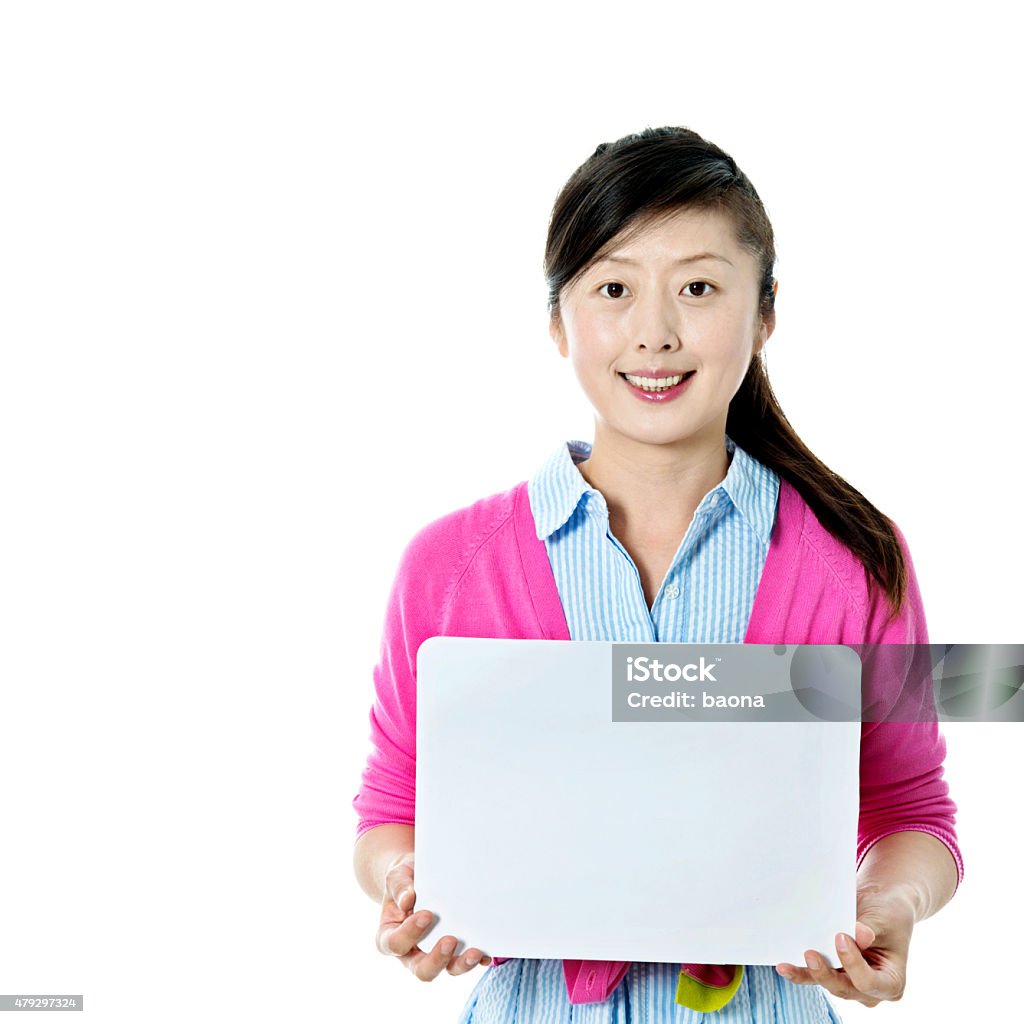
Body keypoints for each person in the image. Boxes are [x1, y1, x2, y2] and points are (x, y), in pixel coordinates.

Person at [351, 127, 962, 1022]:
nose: (656, 332)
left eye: (700, 287)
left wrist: (888, 905)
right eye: (613, 288)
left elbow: (913, 806)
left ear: (765, 314)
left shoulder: (858, 559)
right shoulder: (448, 567)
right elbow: (389, 805)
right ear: (560, 320)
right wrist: (407, 881)